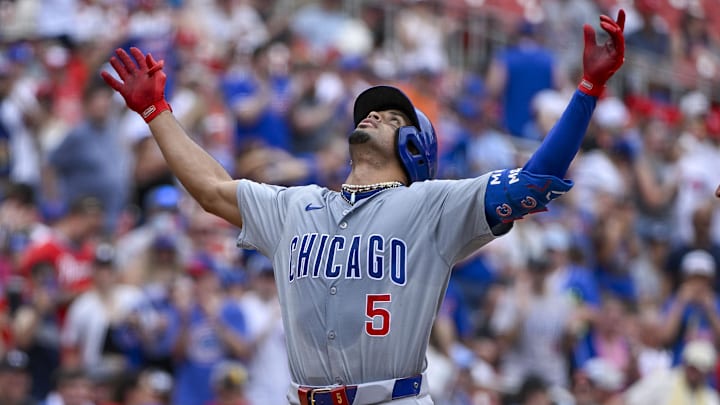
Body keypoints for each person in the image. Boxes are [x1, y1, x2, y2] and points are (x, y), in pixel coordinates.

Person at [101, 9, 626, 405]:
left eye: (391, 117)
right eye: (371, 111)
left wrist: (588, 89)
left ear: (417, 148)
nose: (373, 115)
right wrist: (155, 112)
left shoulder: (434, 205)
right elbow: (212, 190)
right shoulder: (296, 204)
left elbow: (536, 177)